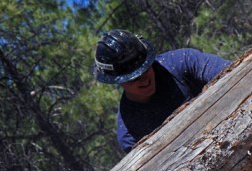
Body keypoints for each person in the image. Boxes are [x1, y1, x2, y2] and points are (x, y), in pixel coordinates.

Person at [93, 29, 231, 153]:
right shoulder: (129, 133)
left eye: (146, 69)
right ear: (117, 81)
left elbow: (234, 74)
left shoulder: (182, 61)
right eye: (133, 78)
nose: (144, 79)